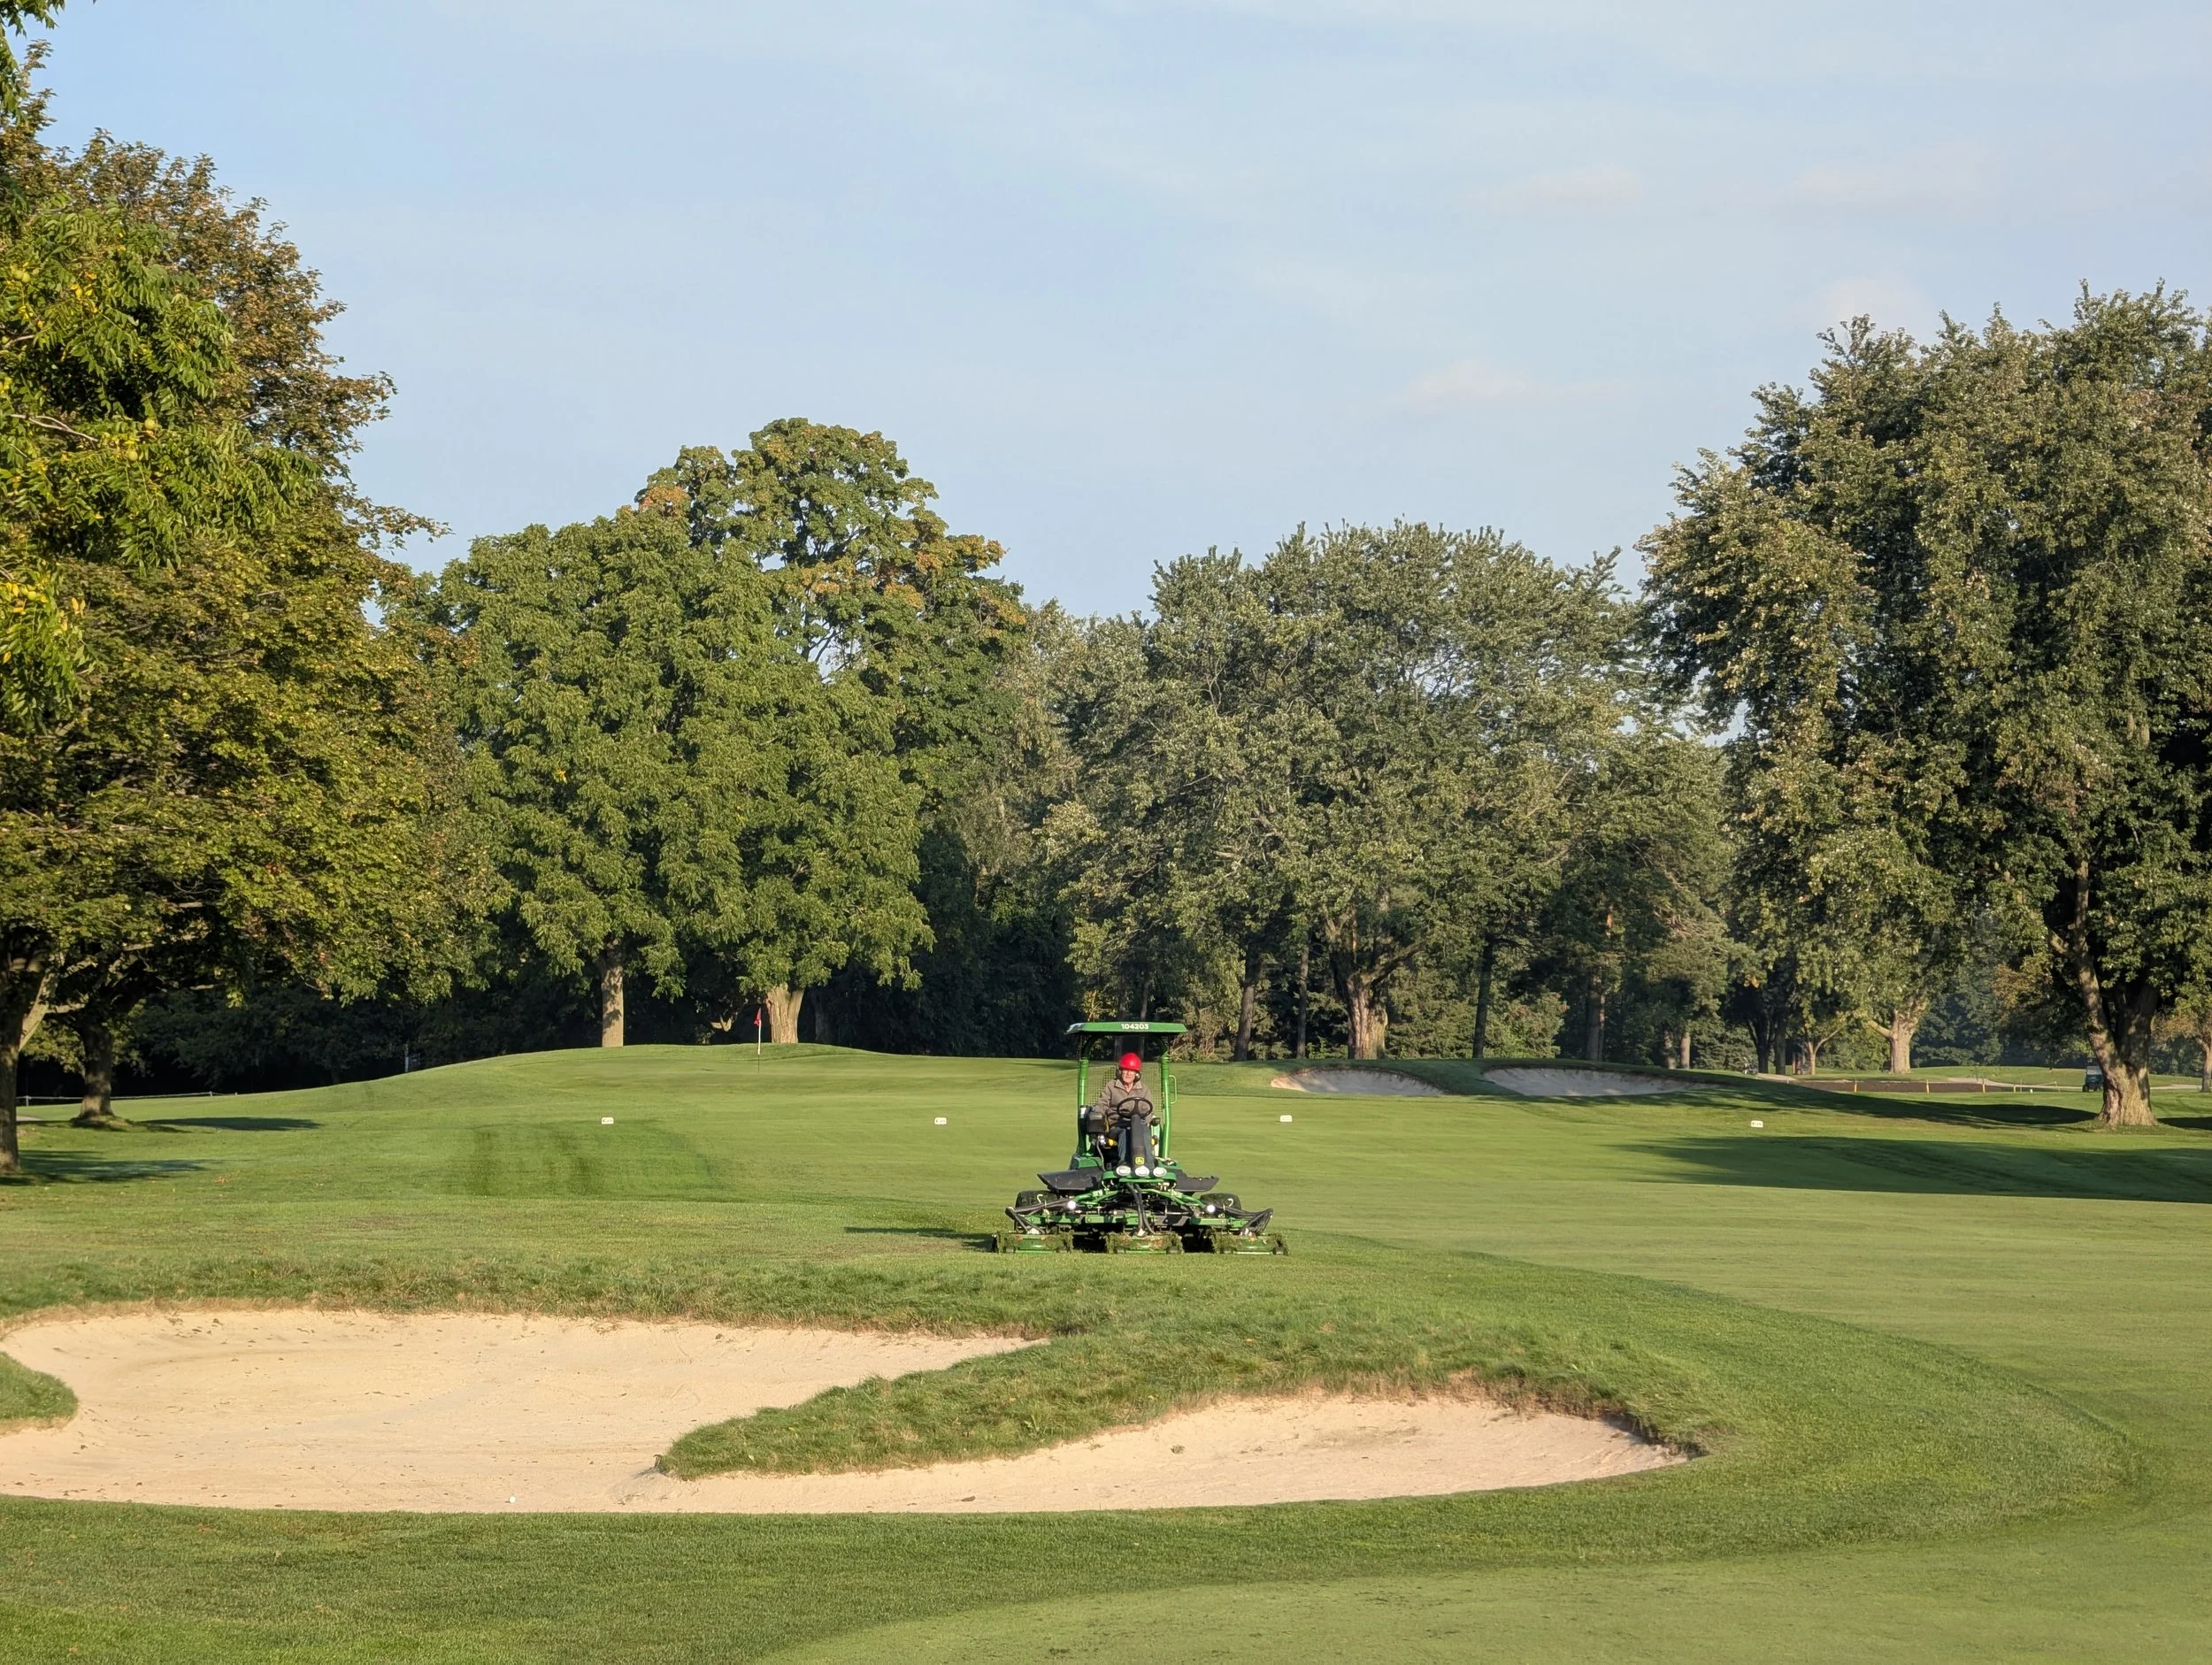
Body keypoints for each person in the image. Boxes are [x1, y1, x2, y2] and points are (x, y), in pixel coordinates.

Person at [1090, 1051, 1157, 1170]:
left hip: (1138, 1125)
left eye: (1131, 1071)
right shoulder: (1111, 1086)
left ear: (1137, 1074)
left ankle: (1148, 1166)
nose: (1128, 1073)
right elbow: (1102, 1103)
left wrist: (1146, 1121)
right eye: (1125, 1070)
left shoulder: (1144, 1089)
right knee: (1125, 1133)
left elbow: (1148, 1110)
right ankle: (1124, 1164)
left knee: (1145, 1133)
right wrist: (1097, 1113)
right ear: (1120, 1071)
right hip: (1117, 1125)